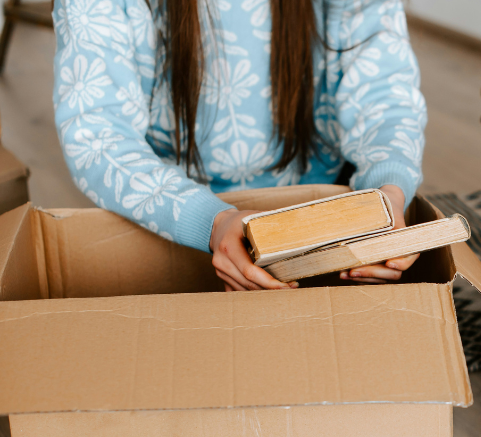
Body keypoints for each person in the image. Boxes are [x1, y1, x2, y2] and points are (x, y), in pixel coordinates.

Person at [54, 0, 426, 289]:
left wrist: (387, 193)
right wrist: (210, 221)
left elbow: (384, 96)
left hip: (320, 203)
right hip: (171, 216)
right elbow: (97, 130)